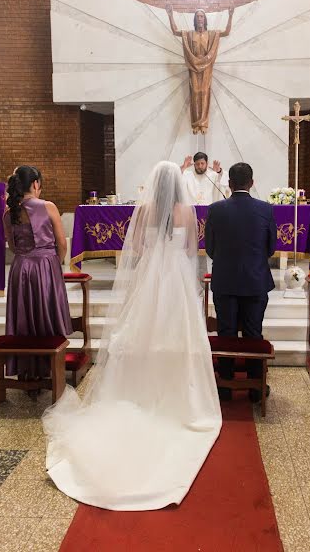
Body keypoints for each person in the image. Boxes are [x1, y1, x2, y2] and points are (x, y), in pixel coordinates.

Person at [42, 161, 222, 511]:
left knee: (142, 335)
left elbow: (135, 248)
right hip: (177, 281)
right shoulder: (186, 212)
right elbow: (190, 252)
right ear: (178, 184)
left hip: (151, 277)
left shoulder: (147, 209)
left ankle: (141, 391)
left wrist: (154, 257)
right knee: (177, 337)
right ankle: (176, 394)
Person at [205, 162, 277, 401]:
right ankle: (255, 387)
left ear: (229, 183)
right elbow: (270, 248)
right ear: (252, 183)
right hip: (255, 280)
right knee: (253, 332)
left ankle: (224, 386)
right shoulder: (265, 209)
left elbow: (211, 249)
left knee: (226, 332)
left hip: (225, 279)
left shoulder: (215, 210)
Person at [3, 165, 72, 382]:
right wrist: (52, 263)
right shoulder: (48, 207)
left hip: (20, 268)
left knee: (24, 318)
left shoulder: (9, 212)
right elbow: (62, 244)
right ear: (35, 184)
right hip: (45, 266)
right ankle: (49, 368)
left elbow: (12, 247)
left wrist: (27, 256)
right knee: (45, 315)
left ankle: (26, 370)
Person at [166, 6, 234, 134]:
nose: (200, 19)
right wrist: (170, 15)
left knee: (204, 92)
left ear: (205, 19)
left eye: (202, 16)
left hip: (207, 66)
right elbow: (175, 31)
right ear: (195, 20)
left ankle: (203, 123)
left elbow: (226, 32)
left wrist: (230, 16)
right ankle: (196, 123)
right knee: (195, 92)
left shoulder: (211, 34)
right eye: (197, 17)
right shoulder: (190, 34)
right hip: (194, 65)